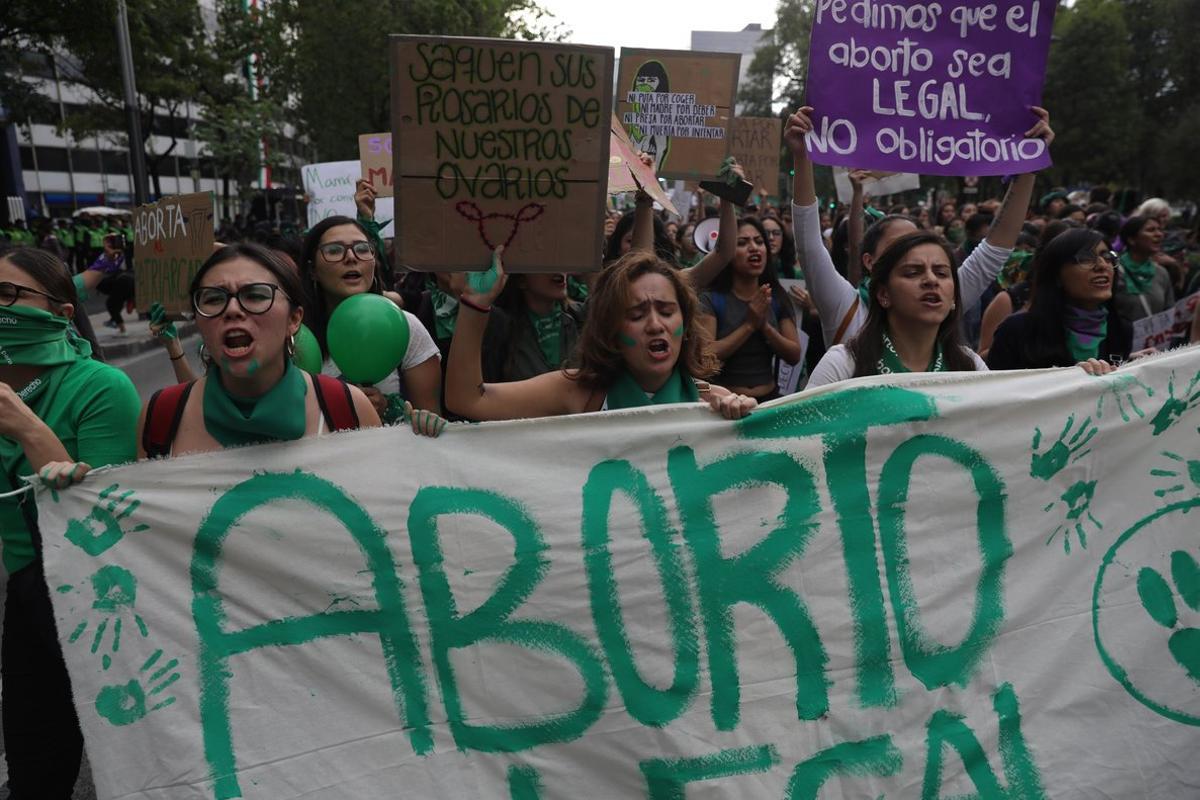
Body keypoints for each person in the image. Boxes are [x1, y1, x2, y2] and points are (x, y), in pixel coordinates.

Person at [0, 246, 141, 798]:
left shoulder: (102, 388)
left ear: (61, 312)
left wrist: (28, 429)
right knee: (36, 765)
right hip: (27, 592)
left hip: (99, 595)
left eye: (10, 295)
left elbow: (100, 518)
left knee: (129, 761)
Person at [784, 105, 1051, 351]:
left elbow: (995, 249)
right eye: (897, 248)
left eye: (918, 244)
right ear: (870, 262)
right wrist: (801, 156)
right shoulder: (846, 309)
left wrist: (1029, 162)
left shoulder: (946, 300)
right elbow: (809, 246)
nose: (926, 273)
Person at [137, 244, 394, 458]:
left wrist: (424, 438)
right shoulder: (161, 416)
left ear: (293, 320)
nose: (233, 310)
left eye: (256, 296)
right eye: (214, 299)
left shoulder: (348, 408)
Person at [445, 247, 756, 420]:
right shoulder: (578, 393)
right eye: (636, 314)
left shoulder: (715, 403)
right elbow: (469, 401)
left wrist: (742, 420)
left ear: (685, 325)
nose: (655, 325)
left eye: (666, 311)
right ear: (612, 330)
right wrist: (475, 305)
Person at [300, 216, 442, 424]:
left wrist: (389, 409)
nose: (351, 257)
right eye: (334, 250)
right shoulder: (296, 337)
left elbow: (433, 423)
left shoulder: (406, 327)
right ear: (312, 270)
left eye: (362, 248)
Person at [807, 231, 987, 388]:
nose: (931, 280)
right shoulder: (843, 365)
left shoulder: (970, 366)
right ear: (884, 295)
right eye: (912, 273)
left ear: (954, 298)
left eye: (941, 273)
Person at [987, 229, 1131, 371]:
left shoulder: (1120, 329)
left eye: (1107, 257)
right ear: (1057, 275)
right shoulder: (1017, 330)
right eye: (1086, 258)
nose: (1102, 265)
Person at [700, 216, 802, 401]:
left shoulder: (776, 297)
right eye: (742, 243)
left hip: (769, 403)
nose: (754, 248)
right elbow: (706, 356)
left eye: (759, 241)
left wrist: (765, 327)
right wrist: (748, 325)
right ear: (727, 253)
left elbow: (794, 354)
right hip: (725, 404)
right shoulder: (712, 299)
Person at [1114, 216, 1174, 322]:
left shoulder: (1161, 273)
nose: (1159, 234)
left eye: (1160, 230)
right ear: (1131, 239)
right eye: (1151, 230)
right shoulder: (1113, 270)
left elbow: (1168, 312)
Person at [88, 233, 136, 334]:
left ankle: (121, 328)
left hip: (122, 282)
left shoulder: (106, 262)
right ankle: (127, 303)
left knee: (111, 304)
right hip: (128, 279)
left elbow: (97, 270)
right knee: (115, 302)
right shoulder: (119, 256)